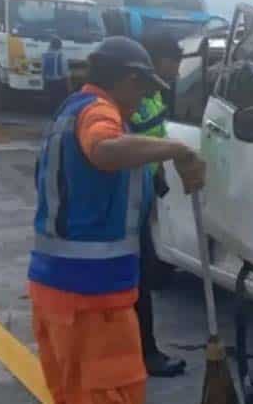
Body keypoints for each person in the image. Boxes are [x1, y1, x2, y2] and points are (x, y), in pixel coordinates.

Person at [29, 36, 205, 404]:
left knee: (75, 393)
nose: (142, 100)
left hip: (63, 288)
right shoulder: (98, 112)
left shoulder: (71, 111)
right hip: (89, 297)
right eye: (142, 89)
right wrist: (178, 149)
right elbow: (104, 150)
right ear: (129, 79)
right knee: (108, 393)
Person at [130, 33, 186, 377]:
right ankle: (146, 353)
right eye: (172, 65)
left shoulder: (152, 97)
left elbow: (156, 134)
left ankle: (141, 349)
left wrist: (161, 171)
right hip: (128, 198)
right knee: (139, 281)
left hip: (145, 191)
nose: (176, 73)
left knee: (144, 275)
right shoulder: (132, 99)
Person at [42, 36, 72, 108]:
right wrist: (69, 86)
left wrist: (44, 83)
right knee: (61, 103)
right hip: (60, 83)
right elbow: (65, 73)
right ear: (60, 45)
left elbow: (43, 70)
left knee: (52, 102)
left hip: (49, 82)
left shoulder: (45, 55)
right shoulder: (61, 56)